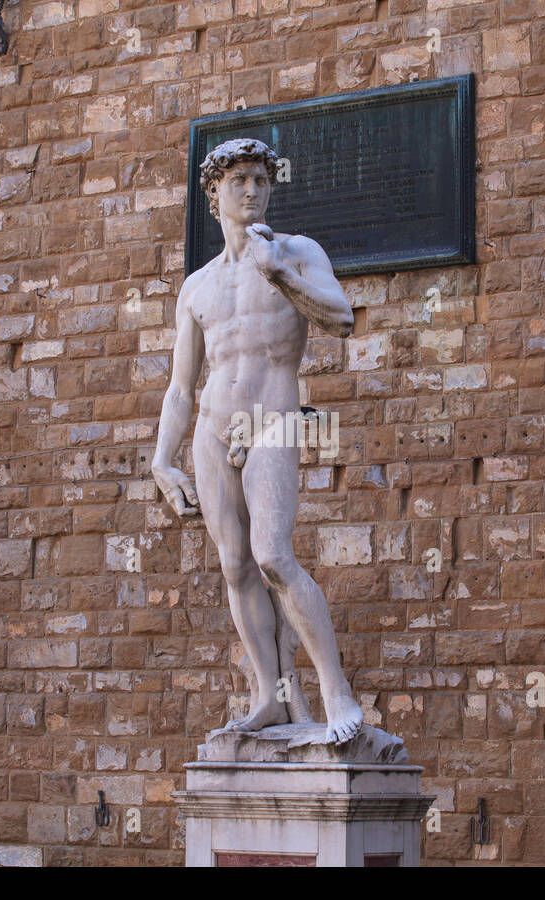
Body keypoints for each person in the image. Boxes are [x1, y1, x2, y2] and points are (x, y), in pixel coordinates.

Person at [151, 138, 365, 744]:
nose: (252, 190)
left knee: (273, 555)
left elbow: (341, 318)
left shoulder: (296, 252)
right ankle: (270, 695)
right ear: (214, 193)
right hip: (213, 431)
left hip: (273, 420)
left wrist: (279, 275)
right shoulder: (197, 287)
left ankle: (335, 693)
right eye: (239, 180)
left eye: (261, 180)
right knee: (236, 566)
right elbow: (180, 387)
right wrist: (162, 460)